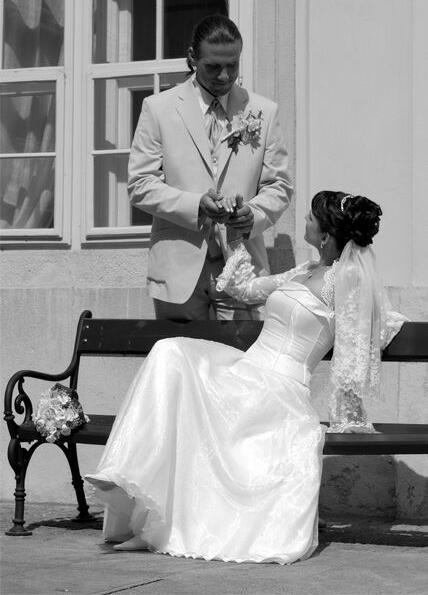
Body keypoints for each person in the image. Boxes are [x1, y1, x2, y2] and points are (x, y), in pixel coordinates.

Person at [86, 191, 406, 564]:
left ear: (326, 234)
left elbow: (359, 339)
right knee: (169, 352)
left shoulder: (347, 278)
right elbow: (244, 291)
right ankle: (136, 492)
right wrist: (236, 239)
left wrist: (347, 412)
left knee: (181, 372)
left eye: (310, 217)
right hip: (247, 371)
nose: (304, 220)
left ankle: (153, 518)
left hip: (279, 388)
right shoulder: (303, 270)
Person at [127, 14, 292, 320]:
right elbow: (140, 184)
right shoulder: (158, 109)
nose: (225, 76)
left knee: (242, 352)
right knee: (180, 353)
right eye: (213, 66)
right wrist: (195, 206)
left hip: (242, 267)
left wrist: (252, 215)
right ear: (192, 57)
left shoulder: (263, 112)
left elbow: (279, 186)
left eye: (233, 65)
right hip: (177, 271)